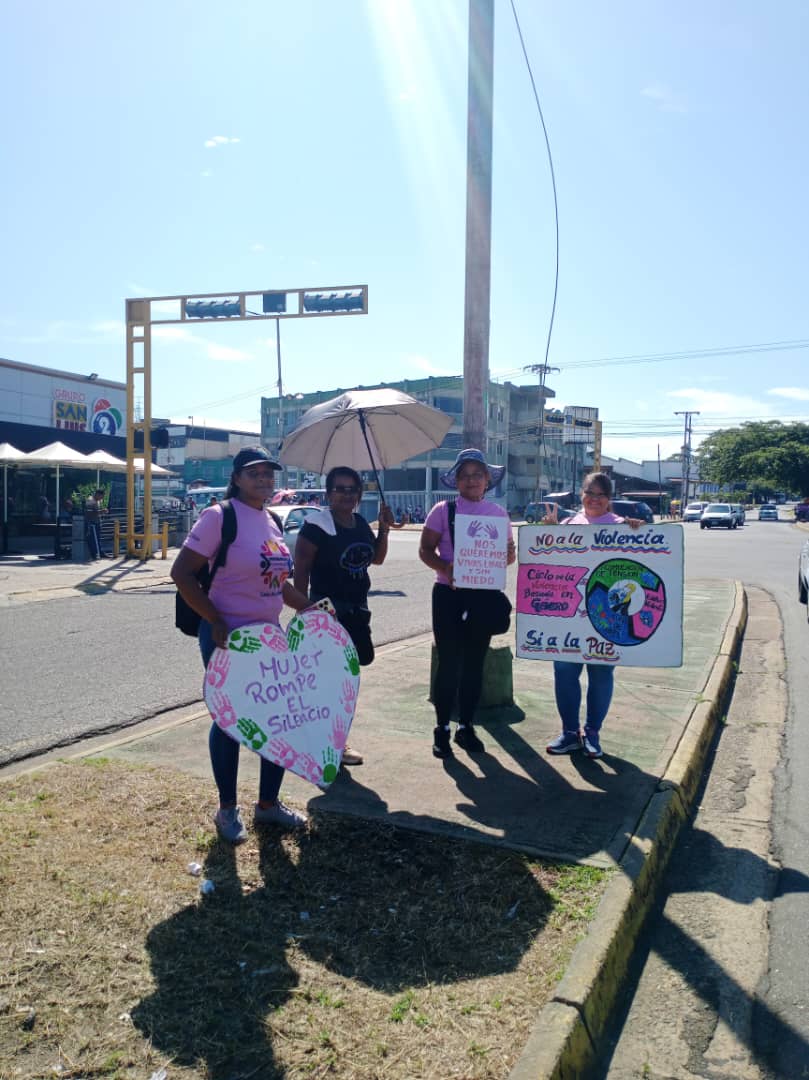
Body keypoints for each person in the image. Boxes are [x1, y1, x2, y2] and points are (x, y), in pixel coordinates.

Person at [171, 446, 314, 844]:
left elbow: (277, 583)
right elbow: (181, 573)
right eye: (255, 473)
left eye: (269, 474)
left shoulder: (270, 520)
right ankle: (227, 810)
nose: (264, 480)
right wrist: (214, 619)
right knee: (231, 721)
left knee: (277, 718)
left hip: (268, 636)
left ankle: (268, 806)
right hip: (227, 636)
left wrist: (311, 610)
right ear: (237, 478)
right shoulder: (220, 517)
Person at [292, 466, 395, 768]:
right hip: (327, 612)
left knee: (354, 669)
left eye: (352, 489)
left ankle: (324, 735)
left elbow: (376, 558)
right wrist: (304, 613)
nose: (346, 495)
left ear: (359, 495)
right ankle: (332, 742)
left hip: (357, 610)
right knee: (334, 680)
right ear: (328, 493)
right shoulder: (316, 525)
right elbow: (301, 570)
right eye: (339, 489)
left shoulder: (360, 522)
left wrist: (385, 529)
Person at [419, 448, 516, 758]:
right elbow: (425, 551)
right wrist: (445, 568)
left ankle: (467, 726)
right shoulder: (442, 510)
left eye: (478, 474)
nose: (472, 480)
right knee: (448, 664)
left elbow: (508, 554)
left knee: (475, 663)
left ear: (487, 480)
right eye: (465, 475)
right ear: (456, 481)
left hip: (483, 596)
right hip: (448, 594)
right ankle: (442, 729)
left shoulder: (499, 515)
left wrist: (506, 557)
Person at [544, 471, 643, 759]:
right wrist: (548, 534)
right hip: (570, 616)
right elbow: (552, 568)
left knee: (601, 672)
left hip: (607, 615)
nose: (595, 499)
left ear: (609, 499)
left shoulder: (622, 526)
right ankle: (570, 733)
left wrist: (637, 531)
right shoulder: (567, 523)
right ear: (581, 494)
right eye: (590, 492)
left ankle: (593, 732)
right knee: (564, 672)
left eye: (601, 494)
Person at [85, 488, 107, 559]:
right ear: (98, 494)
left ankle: (99, 552)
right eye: (101, 496)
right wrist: (101, 511)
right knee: (93, 539)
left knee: (97, 538)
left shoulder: (97, 501)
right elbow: (89, 512)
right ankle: (94, 554)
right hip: (92, 523)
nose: (102, 498)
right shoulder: (91, 501)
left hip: (96, 522)